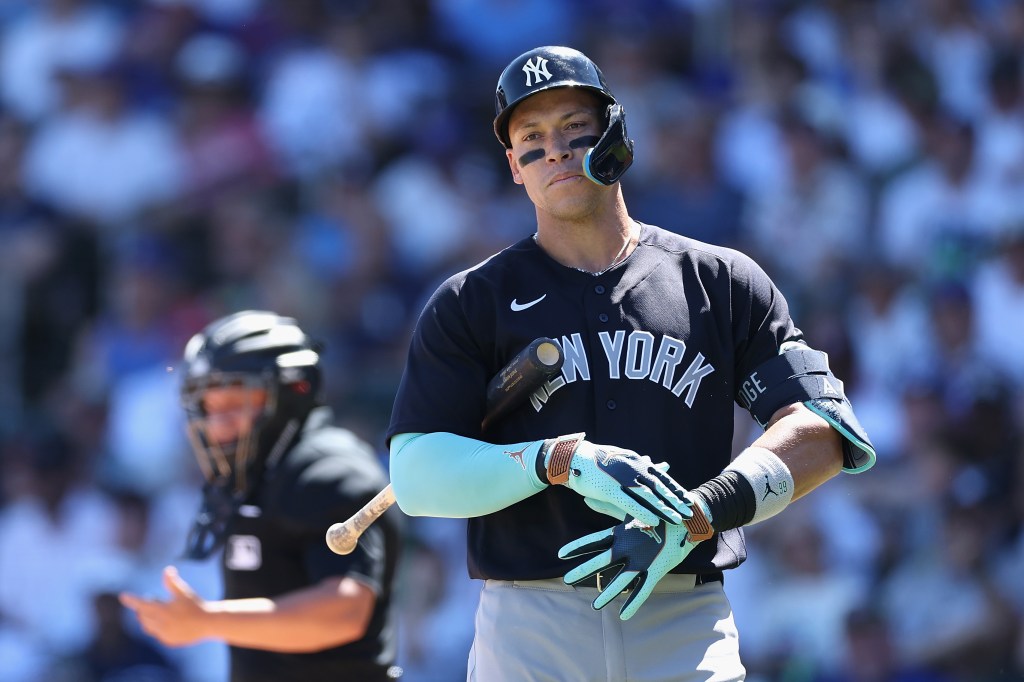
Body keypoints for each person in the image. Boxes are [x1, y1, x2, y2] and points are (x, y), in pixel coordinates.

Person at [385, 45, 876, 681]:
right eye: (531, 136)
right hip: (531, 626)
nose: (554, 149)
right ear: (513, 165)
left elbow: (825, 432)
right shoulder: (469, 302)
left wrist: (701, 513)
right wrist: (560, 461)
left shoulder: (721, 281)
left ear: (614, 131)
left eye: (572, 126)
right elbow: (416, 476)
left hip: (684, 616)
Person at [120, 310, 402, 682]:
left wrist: (206, 619)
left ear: (292, 392)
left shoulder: (330, 471)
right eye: (209, 407)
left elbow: (346, 610)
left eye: (235, 403)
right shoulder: (261, 470)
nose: (218, 424)